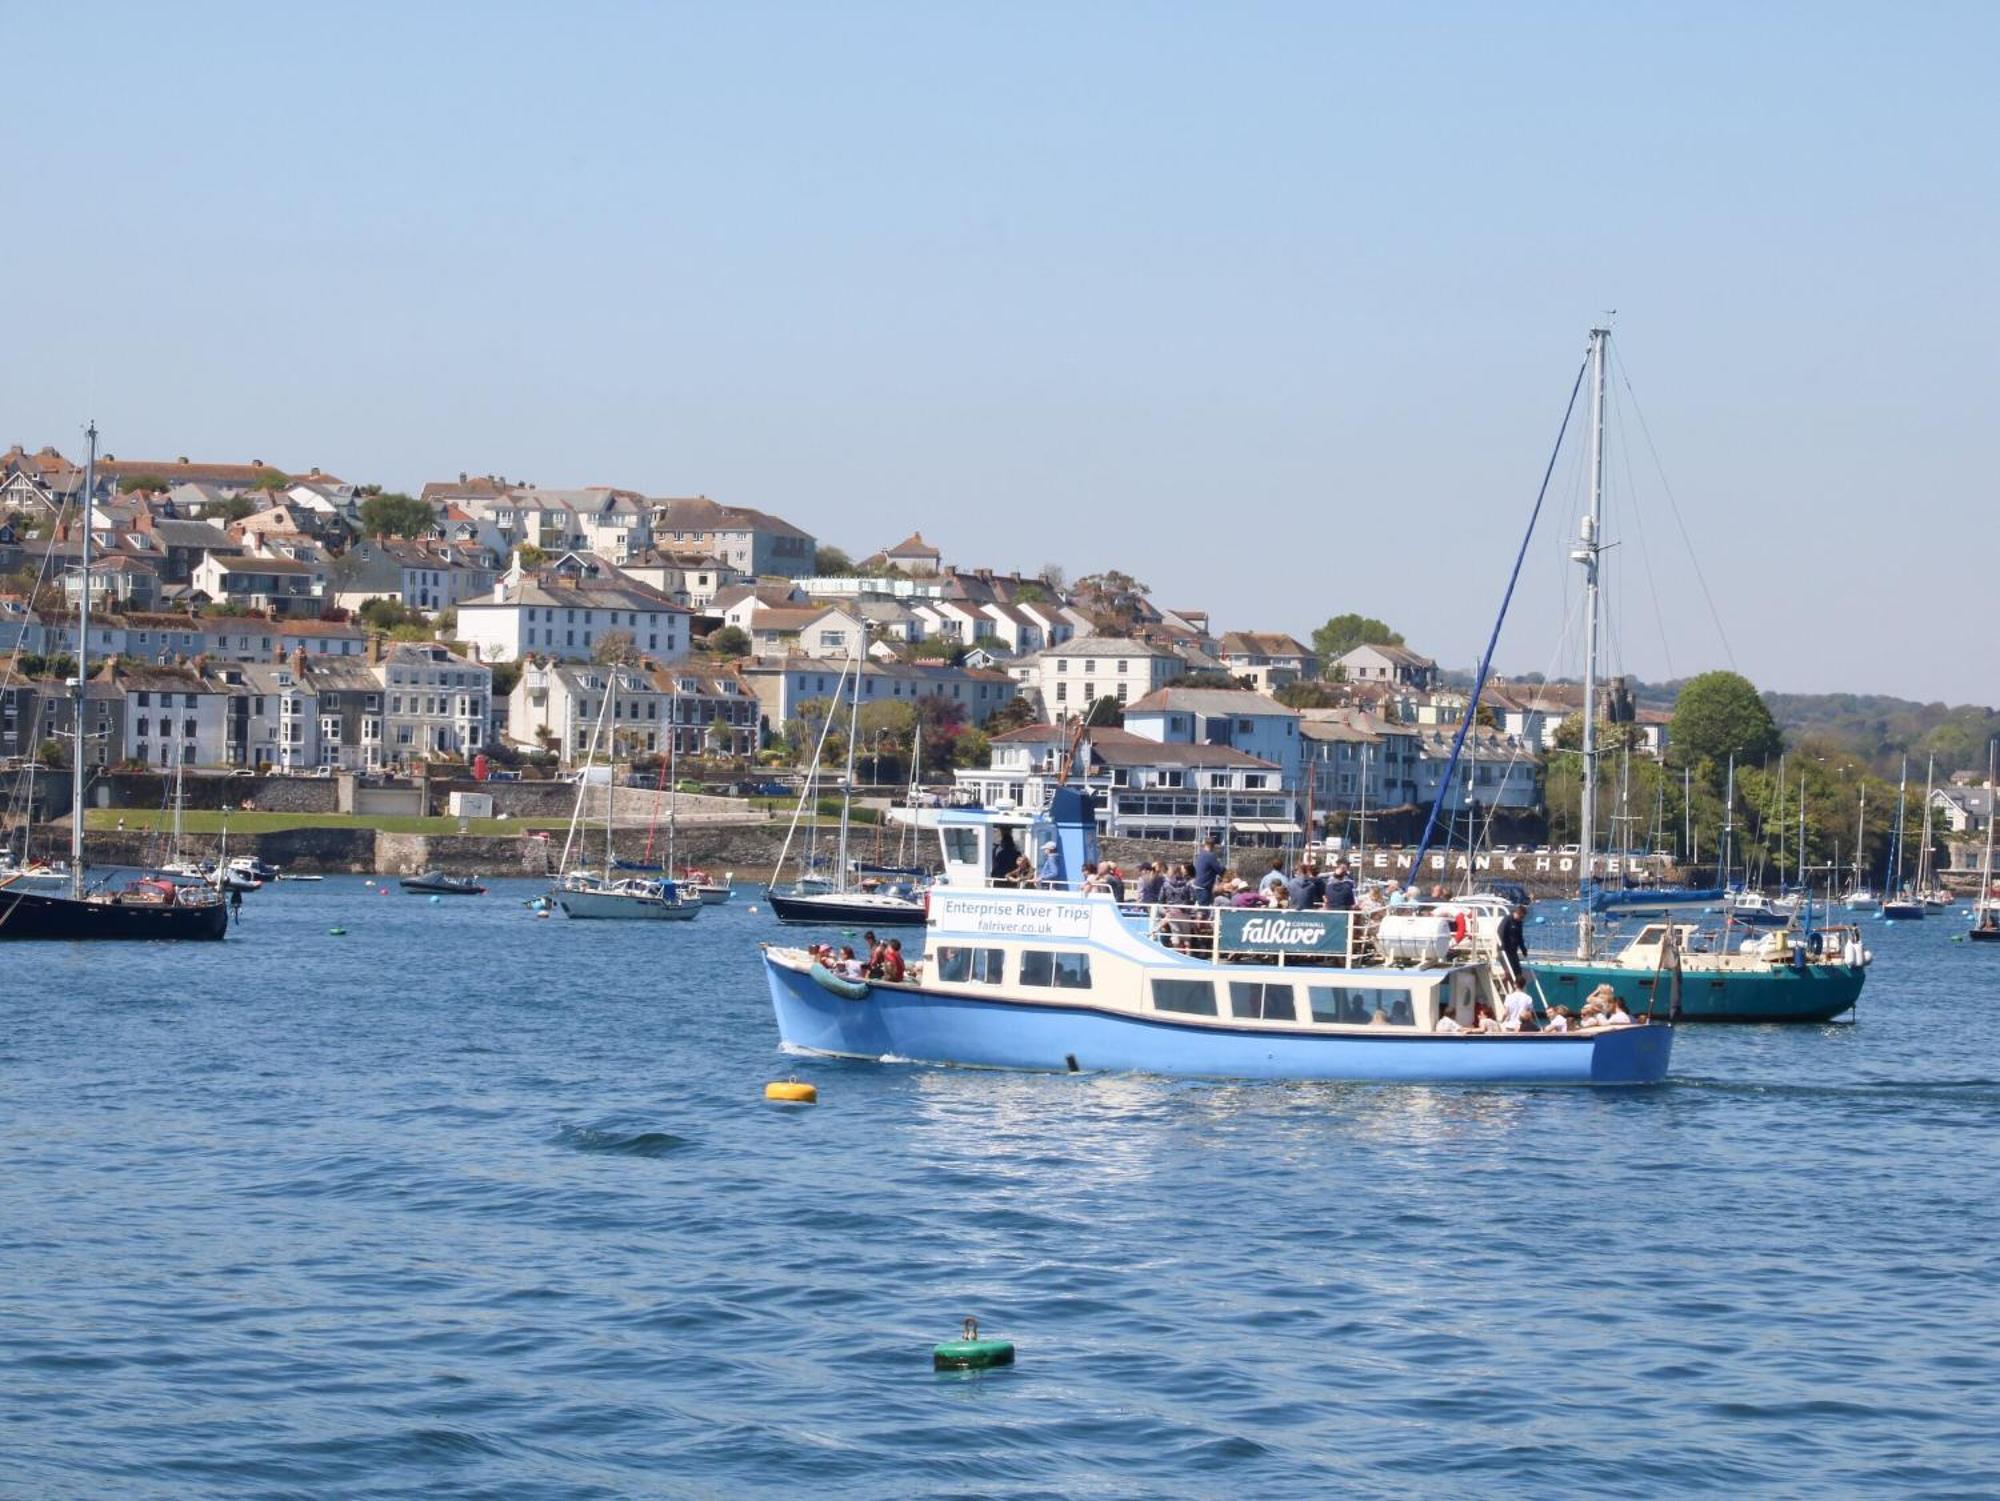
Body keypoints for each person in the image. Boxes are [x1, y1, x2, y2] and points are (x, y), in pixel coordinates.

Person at [1496, 903, 1529, 986]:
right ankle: (1500, 986)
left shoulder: (1519, 923)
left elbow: (1520, 937)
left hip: (1513, 951)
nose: (1521, 919)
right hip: (1504, 950)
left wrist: (1523, 949)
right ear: (1517, 913)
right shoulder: (1507, 920)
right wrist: (1502, 947)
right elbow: (1500, 932)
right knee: (1509, 971)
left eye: (1523, 918)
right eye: (1521, 917)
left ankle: (1516, 988)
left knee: (1518, 972)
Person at [1192, 837, 1224, 905]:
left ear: (1205, 844)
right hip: (1204, 887)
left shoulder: (1200, 854)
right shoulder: (1210, 856)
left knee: (1201, 908)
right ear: (1213, 846)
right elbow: (1220, 870)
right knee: (1204, 911)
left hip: (1197, 885)